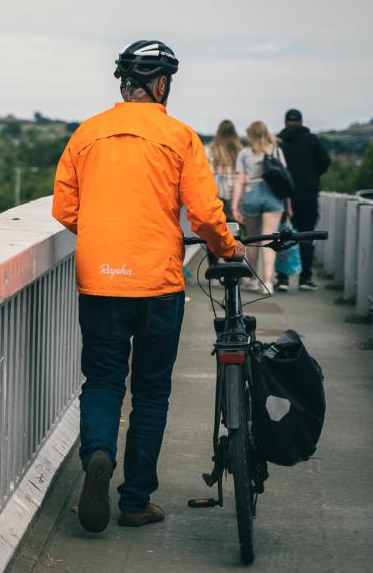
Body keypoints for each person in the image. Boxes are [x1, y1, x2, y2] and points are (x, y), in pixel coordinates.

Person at [52, 40, 243, 533]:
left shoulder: (86, 134)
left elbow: (64, 210)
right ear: (161, 85)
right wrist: (228, 248)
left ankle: (97, 454)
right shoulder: (179, 137)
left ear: (124, 84)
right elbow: (203, 213)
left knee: (102, 381)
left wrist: (104, 239)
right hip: (157, 285)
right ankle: (135, 500)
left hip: (99, 282)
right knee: (152, 392)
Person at [276, 108, 331, 291]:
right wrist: (312, 174)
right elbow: (324, 163)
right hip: (308, 193)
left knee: (283, 235)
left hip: (285, 195)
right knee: (307, 234)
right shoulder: (313, 140)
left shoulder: (279, 141)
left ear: (285, 122)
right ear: (301, 121)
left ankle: (282, 279)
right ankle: (305, 278)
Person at [231, 121, 286, 292]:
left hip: (251, 193)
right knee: (270, 239)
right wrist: (288, 205)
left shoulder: (245, 153)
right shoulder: (276, 150)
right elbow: (284, 178)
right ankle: (268, 282)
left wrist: (234, 206)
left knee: (253, 240)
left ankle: (253, 279)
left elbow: (240, 181)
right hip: (273, 194)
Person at [206, 120, 241, 220]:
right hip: (236, 196)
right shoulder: (240, 151)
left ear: (218, 132)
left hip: (216, 195)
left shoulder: (209, 150)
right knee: (237, 230)